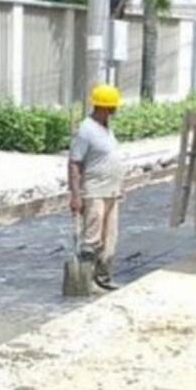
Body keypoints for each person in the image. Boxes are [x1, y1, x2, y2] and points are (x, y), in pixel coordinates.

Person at [69, 84, 126, 291]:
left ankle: (103, 277)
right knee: (92, 238)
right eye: (112, 107)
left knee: (109, 237)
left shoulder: (106, 128)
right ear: (102, 107)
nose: (114, 111)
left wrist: (120, 184)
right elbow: (74, 163)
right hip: (94, 191)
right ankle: (84, 281)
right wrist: (76, 196)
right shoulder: (86, 130)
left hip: (111, 191)